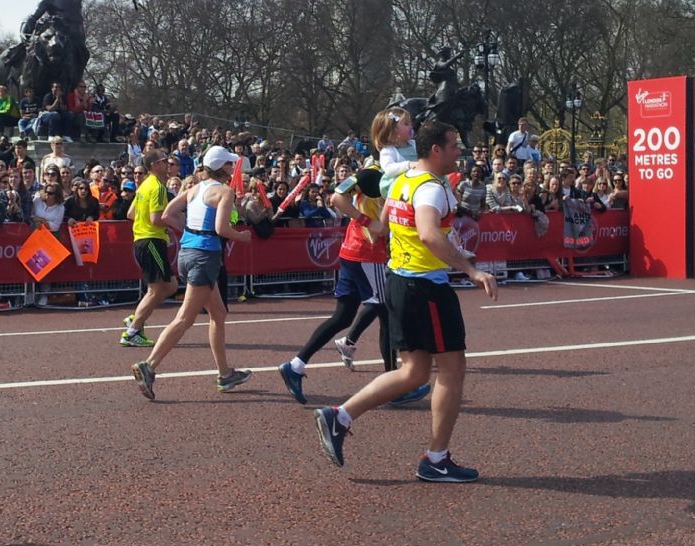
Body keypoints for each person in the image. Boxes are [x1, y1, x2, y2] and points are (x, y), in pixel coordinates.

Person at [315, 121, 497, 483]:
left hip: (401, 281)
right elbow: (429, 234)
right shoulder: (430, 188)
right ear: (436, 151)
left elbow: (381, 229)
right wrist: (470, 269)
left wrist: (360, 217)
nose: (460, 151)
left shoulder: (402, 181)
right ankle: (436, 458)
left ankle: (341, 416)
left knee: (413, 372)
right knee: (452, 370)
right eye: (454, 145)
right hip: (425, 286)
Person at [130, 146, 253, 400]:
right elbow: (221, 228)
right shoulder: (225, 191)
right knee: (185, 318)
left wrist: (189, 228)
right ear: (223, 168)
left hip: (188, 253)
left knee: (218, 314)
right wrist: (241, 236)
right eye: (230, 165)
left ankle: (225, 374)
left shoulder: (194, 188)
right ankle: (149, 366)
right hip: (204, 257)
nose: (233, 168)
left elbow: (167, 214)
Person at [280, 162, 405, 406]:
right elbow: (337, 198)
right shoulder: (373, 173)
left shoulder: (391, 172)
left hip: (353, 252)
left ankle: (295, 365)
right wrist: (370, 223)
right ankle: (394, 387)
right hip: (367, 254)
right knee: (387, 314)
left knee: (344, 316)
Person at [120, 150, 174, 348]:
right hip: (151, 240)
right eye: (163, 161)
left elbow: (131, 213)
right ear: (154, 165)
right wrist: (178, 223)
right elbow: (156, 219)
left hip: (144, 240)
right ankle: (132, 331)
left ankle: (137, 317)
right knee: (156, 289)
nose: (167, 164)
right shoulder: (158, 187)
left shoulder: (144, 186)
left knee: (171, 285)